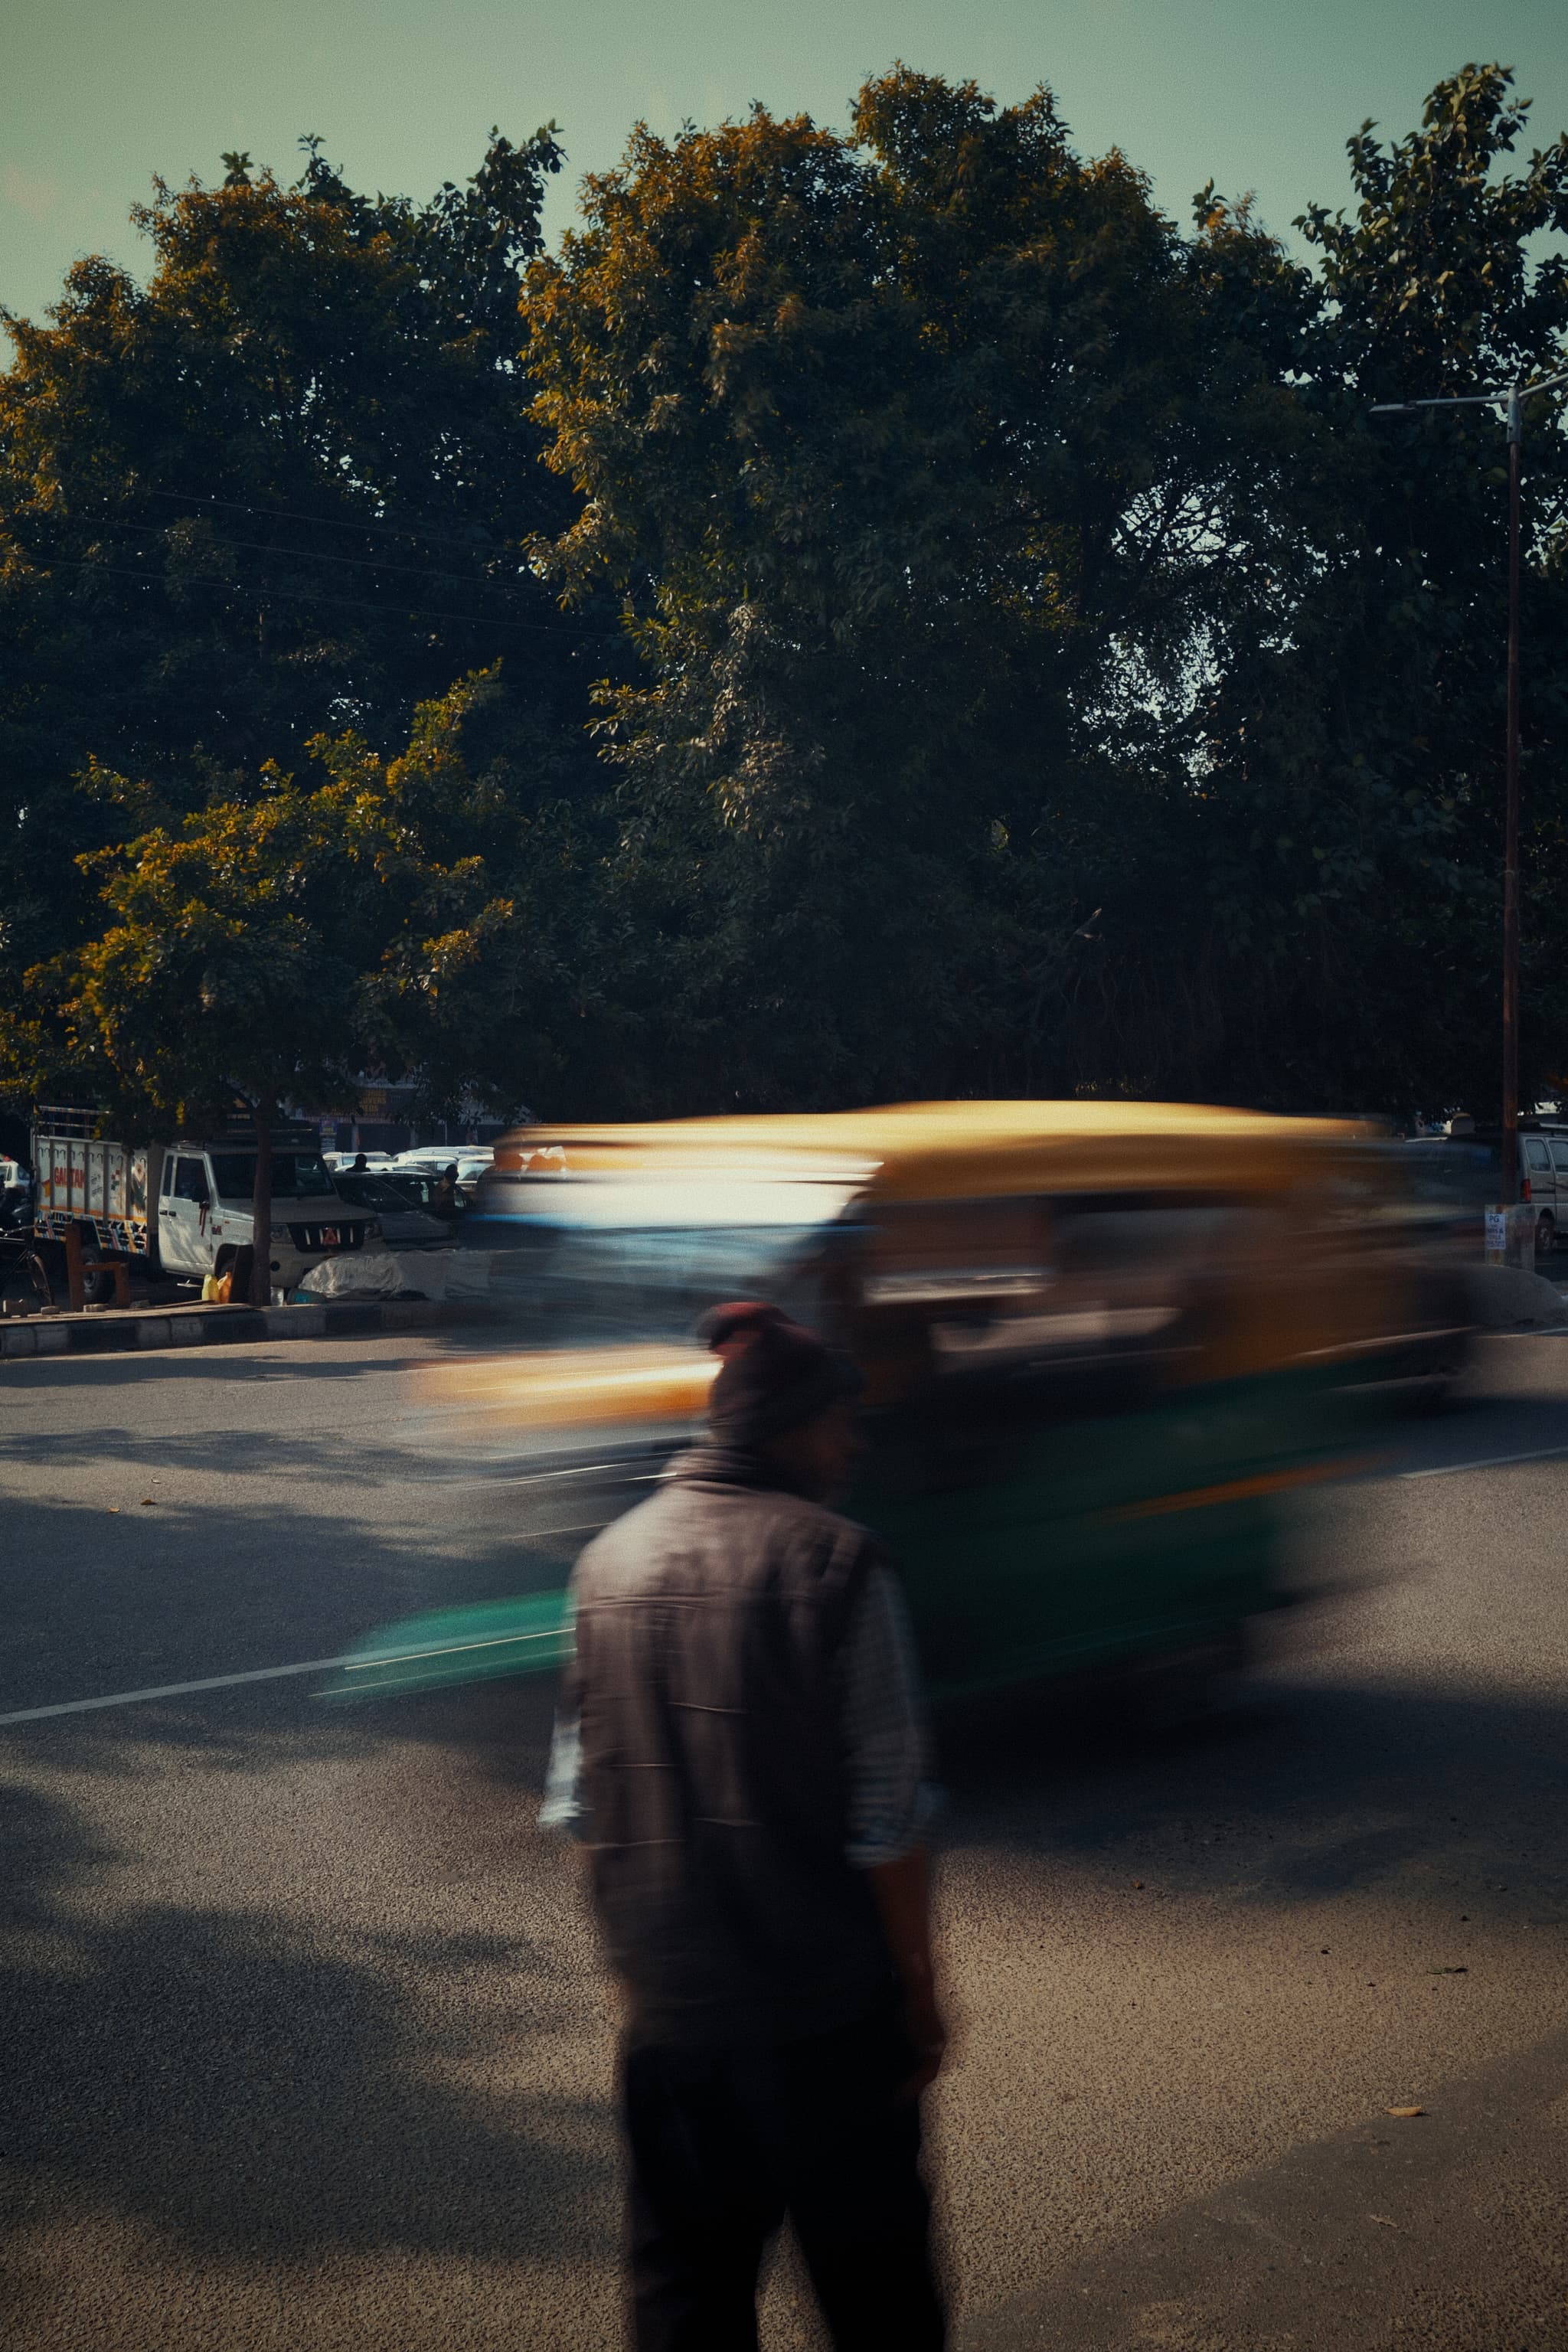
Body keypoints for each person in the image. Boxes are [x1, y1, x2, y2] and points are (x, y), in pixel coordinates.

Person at [542, 1301, 948, 2352]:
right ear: (787, 1429)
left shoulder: (607, 1565)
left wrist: (644, 1976)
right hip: (827, 2028)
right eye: (838, 1421)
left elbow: (585, 1807)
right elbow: (889, 1817)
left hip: (675, 2027)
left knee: (686, 2299)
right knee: (880, 2304)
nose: (853, 1441)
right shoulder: (840, 1562)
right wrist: (920, 1994)